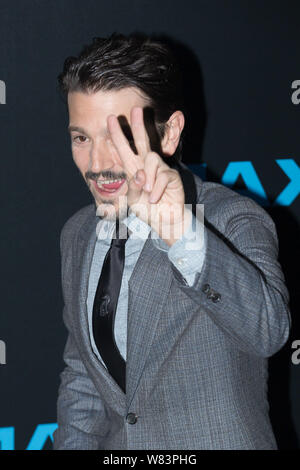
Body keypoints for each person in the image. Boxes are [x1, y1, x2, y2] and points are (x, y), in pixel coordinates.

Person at [53, 33, 291, 450]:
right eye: (82, 138)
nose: (96, 165)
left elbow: (267, 330)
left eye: (119, 137)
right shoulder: (77, 234)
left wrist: (179, 231)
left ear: (170, 133)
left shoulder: (229, 218)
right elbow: (83, 379)